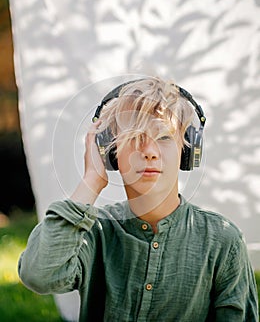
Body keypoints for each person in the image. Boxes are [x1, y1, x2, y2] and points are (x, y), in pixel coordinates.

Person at [18, 77, 258, 321]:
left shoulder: (223, 241)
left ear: (187, 151)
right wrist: (91, 180)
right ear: (110, 152)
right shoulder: (93, 233)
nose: (150, 152)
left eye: (164, 137)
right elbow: (38, 274)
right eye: (134, 137)